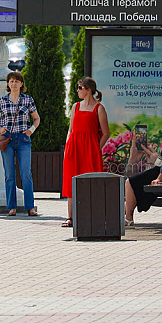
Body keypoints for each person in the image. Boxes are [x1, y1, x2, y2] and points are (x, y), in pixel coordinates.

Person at [0, 71, 41, 216]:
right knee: (9, 174)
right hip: (7, 140)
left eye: (17, 81)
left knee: (26, 173)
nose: (14, 83)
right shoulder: (2, 101)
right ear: (8, 84)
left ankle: (30, 207)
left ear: (21, 84)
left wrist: (31, 130)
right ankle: (11, 207)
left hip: (23, 139)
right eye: (11, 81)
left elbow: (36, 118)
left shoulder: (28, 100)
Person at [61, 77, 110, 227]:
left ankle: (93, 215)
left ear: (89, 90)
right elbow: (71, 129)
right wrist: (67, 147)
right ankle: (71, 217)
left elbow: (106, 133)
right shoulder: (76, 106)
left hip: (90, 150)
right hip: (73, 148)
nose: (77, 91)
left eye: (80, 88)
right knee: (71, 181)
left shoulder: (99, 108)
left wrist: (96, 148)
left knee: (92, 182)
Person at [124, 107, 162, 226]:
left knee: (130, 182)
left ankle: (128, 218)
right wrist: (154, 161)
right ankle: (127, 216)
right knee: (133, 183)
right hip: (161, 171)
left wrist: (159, 178)